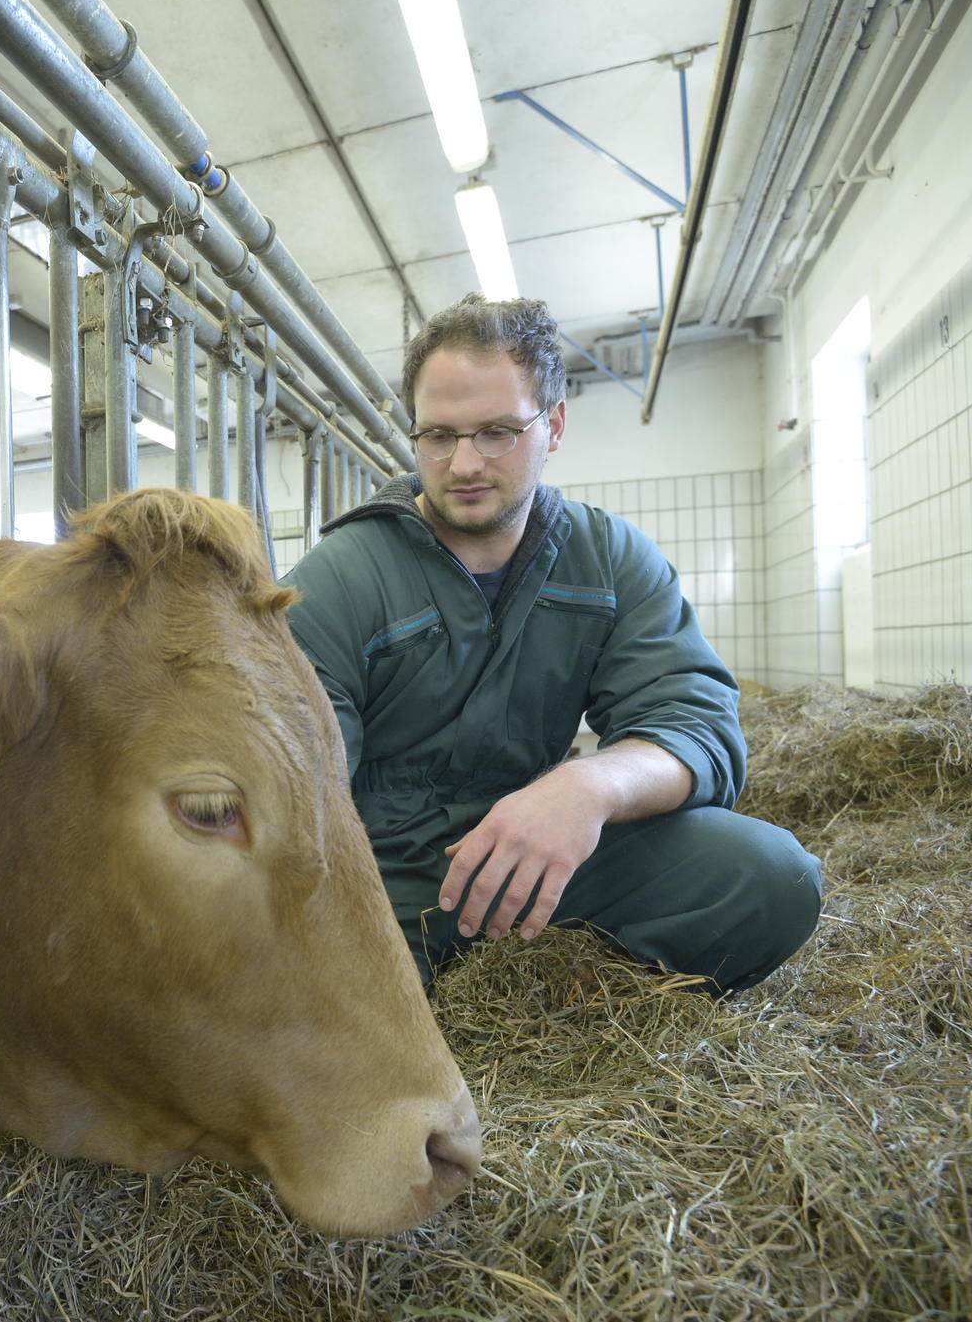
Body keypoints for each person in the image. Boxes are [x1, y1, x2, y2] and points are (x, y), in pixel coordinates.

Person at [282, 294, 821, 994]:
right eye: (438, 435)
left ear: (554, 424)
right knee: (349, 1025)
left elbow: (698, 726)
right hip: (383, 881)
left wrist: (585, 787)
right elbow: (296, 780)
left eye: (497, 431)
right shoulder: (342, 577)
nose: (464, 462)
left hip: (545, 855)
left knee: (771, 876)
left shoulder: (611, 560)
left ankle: (579, 984)